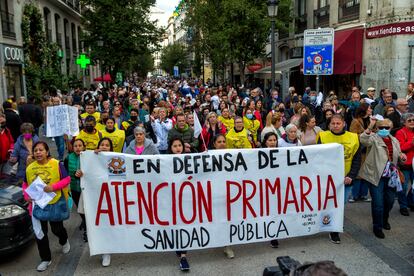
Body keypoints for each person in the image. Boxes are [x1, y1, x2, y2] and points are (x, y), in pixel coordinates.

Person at [22, 141, 71, 272]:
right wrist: (26, 195)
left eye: (41, 150)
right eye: (36, 150)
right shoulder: (29, 168)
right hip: (37, 205)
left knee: (57, 229)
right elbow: (25, 184)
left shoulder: (56, 164)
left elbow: (67, 179)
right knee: (40, 233)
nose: (38, 152)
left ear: (47, 152)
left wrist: (53, 187)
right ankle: (45, 259)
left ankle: (64, 240)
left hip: (54, 202)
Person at [317, 114, 361, 244]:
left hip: (345, 179)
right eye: (333, 123)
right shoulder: (323, 136)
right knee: (330, 205)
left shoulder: (353, 138)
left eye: (338, 123)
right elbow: (318, 158)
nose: (335, 126)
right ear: (329, 124)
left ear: (343, 124)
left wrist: (351, 176)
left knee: (341, 205)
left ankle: (334, 227)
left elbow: (357, 160)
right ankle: (333, 229)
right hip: (328, 180)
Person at [359, 118, 406, 238]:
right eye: (381, 127)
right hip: (376, 175)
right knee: (378, 203)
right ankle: (377, 226)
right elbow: (363, 140)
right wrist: (370, 126)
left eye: (387, 128)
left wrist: (402, 156)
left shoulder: (394, 140)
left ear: (391, 128)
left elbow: (398, 154)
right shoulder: (374, 138)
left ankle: (385, 219)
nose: (384, 129)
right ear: (377, 128)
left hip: (391, 176)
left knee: (390, 201)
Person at [78, 137, 114, 266]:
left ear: (111, 148)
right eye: (102, 144)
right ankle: (105, 251)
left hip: (111, 199)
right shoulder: (90, 159)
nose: (104, 147)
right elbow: (84, 172)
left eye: (107, 145)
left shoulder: (117, 160)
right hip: (96, 198)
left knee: (110, 225)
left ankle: (107, 251)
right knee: (100, 225)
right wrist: (80, 174)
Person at [167, 137, 190, 271]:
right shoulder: (164, 161)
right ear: (170, 148)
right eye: (175, 146)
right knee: (174, 224)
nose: (177, 148)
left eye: (179, 145)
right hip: (170, 199)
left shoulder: (190, 159)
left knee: (184, 225)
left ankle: (183, 256)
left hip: (186, 199)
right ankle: (177, 245)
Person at [64, 139, 87, 241]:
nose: (78, 148)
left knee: (88, 209)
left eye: (80, 145)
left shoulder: (88, 157)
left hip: (86, 189)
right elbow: (65, 173)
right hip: (74, 189)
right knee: (80, 209)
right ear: (72, 148)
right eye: (75, 146)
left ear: (84, 147)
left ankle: (88, 230)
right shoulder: (68, 158)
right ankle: (84, 221)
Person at [348, 103, 372, 203]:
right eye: (370, 108)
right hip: (360, 150)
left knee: (366, 173)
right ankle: (354, 195)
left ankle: (363, 194)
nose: (371, 110)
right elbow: (352, 136)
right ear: (365, 109)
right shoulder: (356, 121)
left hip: (368, 150)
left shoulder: (371, 120)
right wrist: (365, 133)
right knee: (358, 173)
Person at [262, 132, 280, 248]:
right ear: (265, 142)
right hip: (264, 188)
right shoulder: (259, 153)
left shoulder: (283, 153)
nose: (273, 142)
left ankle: (274, 235)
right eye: (270, 140)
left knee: (276, 211)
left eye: (274, 140)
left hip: (278, 187)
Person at [394, 113, 414, 216]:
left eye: (413, 120)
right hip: (405, 164)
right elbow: (399, 148)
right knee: (403, 186)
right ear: (404, 122)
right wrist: (411, 143)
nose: (412, 122)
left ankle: (410, 202)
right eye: (409, 120)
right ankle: (403, 206)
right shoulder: (400, 132)